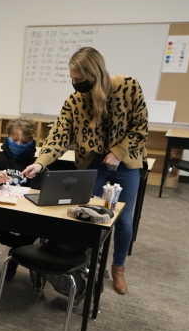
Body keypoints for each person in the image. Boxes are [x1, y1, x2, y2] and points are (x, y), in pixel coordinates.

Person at [22, 47, 147, 294]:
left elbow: (140, 127)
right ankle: (88, 266)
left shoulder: (128, 86)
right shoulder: (75, 100)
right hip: (93, 164)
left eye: (78, 79)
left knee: (123, 220)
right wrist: (40, 162)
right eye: (72, 78)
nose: (74, 84)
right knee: (90, 216)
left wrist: (117, 153)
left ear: (94, 73)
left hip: (126, 163)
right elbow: (58, 136)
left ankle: (118, 268)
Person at [0, 117, 43, 279]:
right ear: (7, 138)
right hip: (3, 207)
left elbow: (40, 187)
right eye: (15, 140)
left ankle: (14, 256)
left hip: (26, 210)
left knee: (38, 227)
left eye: (24, 141)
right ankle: (17, 249)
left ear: (31, 142)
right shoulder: (0, 157)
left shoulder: (36, 162)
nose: (19, 144)